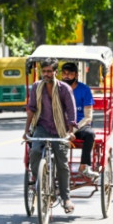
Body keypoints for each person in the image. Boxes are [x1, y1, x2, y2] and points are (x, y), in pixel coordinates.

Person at [23, 58, 78, 213]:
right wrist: (26, 131)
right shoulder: (36, 87)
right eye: (44, 71)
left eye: (49, 71)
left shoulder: (64, 89)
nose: (46, 74)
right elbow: (31, 109)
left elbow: (72, 112)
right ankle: (39, 182)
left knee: (62, 163)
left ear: (55, 72)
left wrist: (71, 132)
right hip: (42, 127)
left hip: (60, 129)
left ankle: (66, 198)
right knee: (34, 152)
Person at [61, 62, 100, 181]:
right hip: (61, 125)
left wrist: (73, 129)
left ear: (76, 75)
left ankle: (83, 167)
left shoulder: (84, 90)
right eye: (64, 73)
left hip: (80, 125)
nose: (67, 76)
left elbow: (88, 117)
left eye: (70, 74)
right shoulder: (57, 88)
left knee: (90, 135)